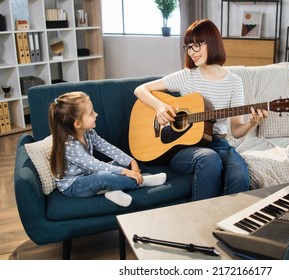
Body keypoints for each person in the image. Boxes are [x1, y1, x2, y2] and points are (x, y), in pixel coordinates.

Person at [134, 19, 268, 200]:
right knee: (208, 158)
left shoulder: (234, 82)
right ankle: (200, 221)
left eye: (197, 45)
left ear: (212, 42)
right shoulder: (186, 76)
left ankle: (229, 225)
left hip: (218, 143)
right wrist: (160, 106)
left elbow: (236, 131)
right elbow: (140, 89)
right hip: (182, 146)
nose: (191, 52)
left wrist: (252, 122)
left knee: (239, 175)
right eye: (188, 47)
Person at [48, 91, 167, 207]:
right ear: (77, 124)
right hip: (74, 185)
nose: (96, 114)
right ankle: (142, 182)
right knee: (102, 177)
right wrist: (126, 172)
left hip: (89, 174)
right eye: (91, 113)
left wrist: (131, 162)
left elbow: (108, 148)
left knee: (119, 163)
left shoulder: (89, 133)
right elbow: (95, 165)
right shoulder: (69, 146)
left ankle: (112, 190)